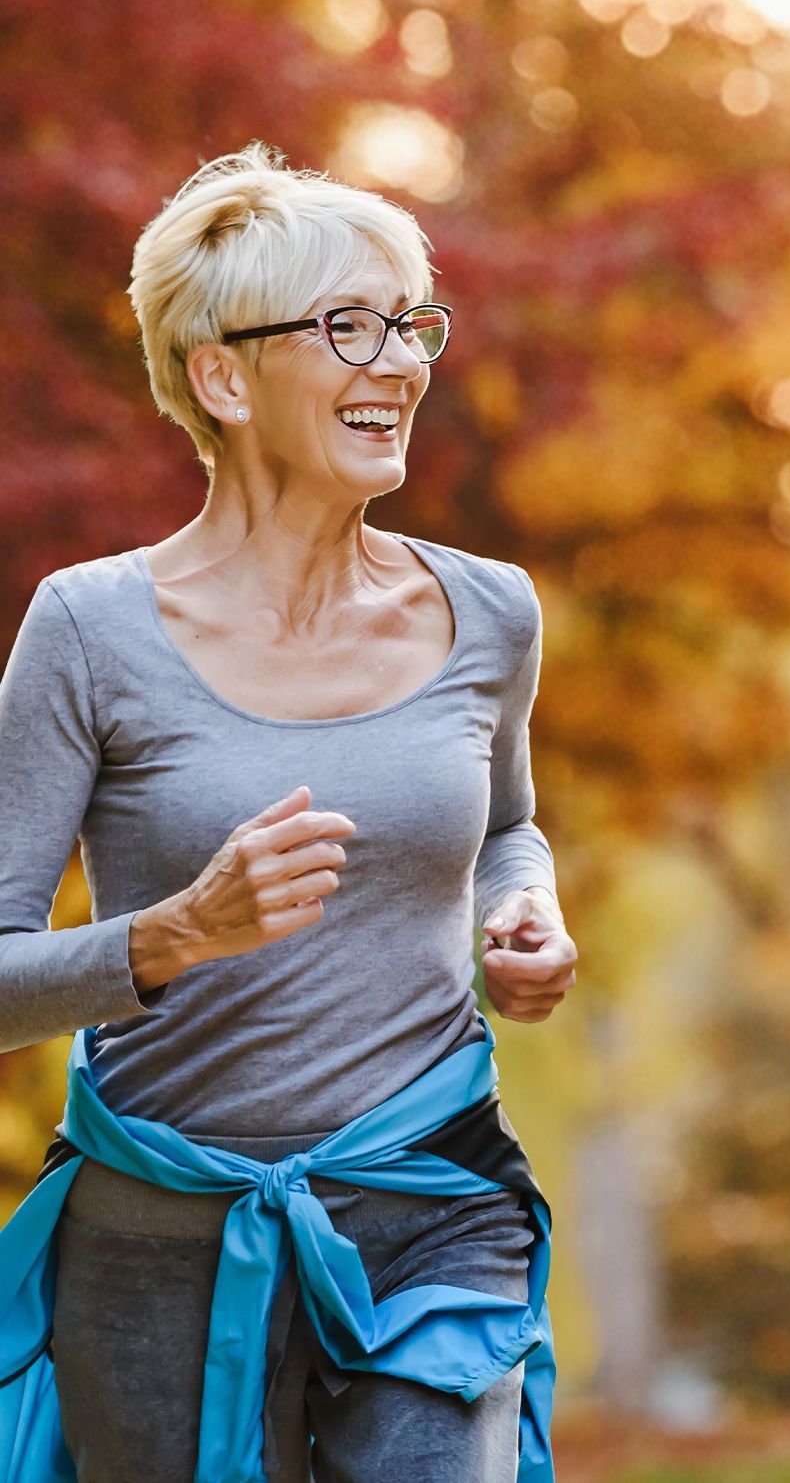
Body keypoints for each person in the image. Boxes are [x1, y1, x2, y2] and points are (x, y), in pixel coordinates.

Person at [0, 145, 576, 1482]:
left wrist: (524, 908)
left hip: (435, 1200)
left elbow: (506, 828)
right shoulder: (88, 630)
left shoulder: (490, 611)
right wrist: (173, 935)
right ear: (222, 373)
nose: (401, 362)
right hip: (162, 1228)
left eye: (409, 324)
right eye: (348, 327)